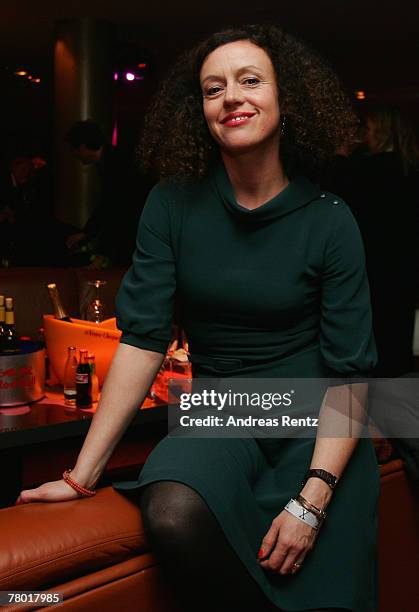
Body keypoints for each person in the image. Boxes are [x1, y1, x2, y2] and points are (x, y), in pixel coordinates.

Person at [15, 25, 379, 612]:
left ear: (288, 103)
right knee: (174, 510)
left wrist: (314, 496)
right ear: (200, 113)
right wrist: (82, 475)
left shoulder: (330, 220)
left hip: (314, 420)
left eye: (250, 81)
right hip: (222, 407)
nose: (231, 96)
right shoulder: (171, 203)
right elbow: (144, 339)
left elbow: (350, 373)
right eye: (213, 88)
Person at [324, 105, 419, 376]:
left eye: (369, 129)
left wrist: (341, 153)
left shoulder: (367, 169)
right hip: (404, 259)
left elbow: (336, 190)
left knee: (374, 322)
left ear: (382, 132)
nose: (364, 135)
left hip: (374, 258)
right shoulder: (410, 168)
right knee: (398, 321)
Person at [65, 120, 146, 268]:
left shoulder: (117, 164)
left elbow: (118, 212)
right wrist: (86, 233)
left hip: (135, 235)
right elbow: (107, 206)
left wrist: (103, 254)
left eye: (73, 150)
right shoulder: (111, 160)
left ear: (82, 147)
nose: (74, 155)